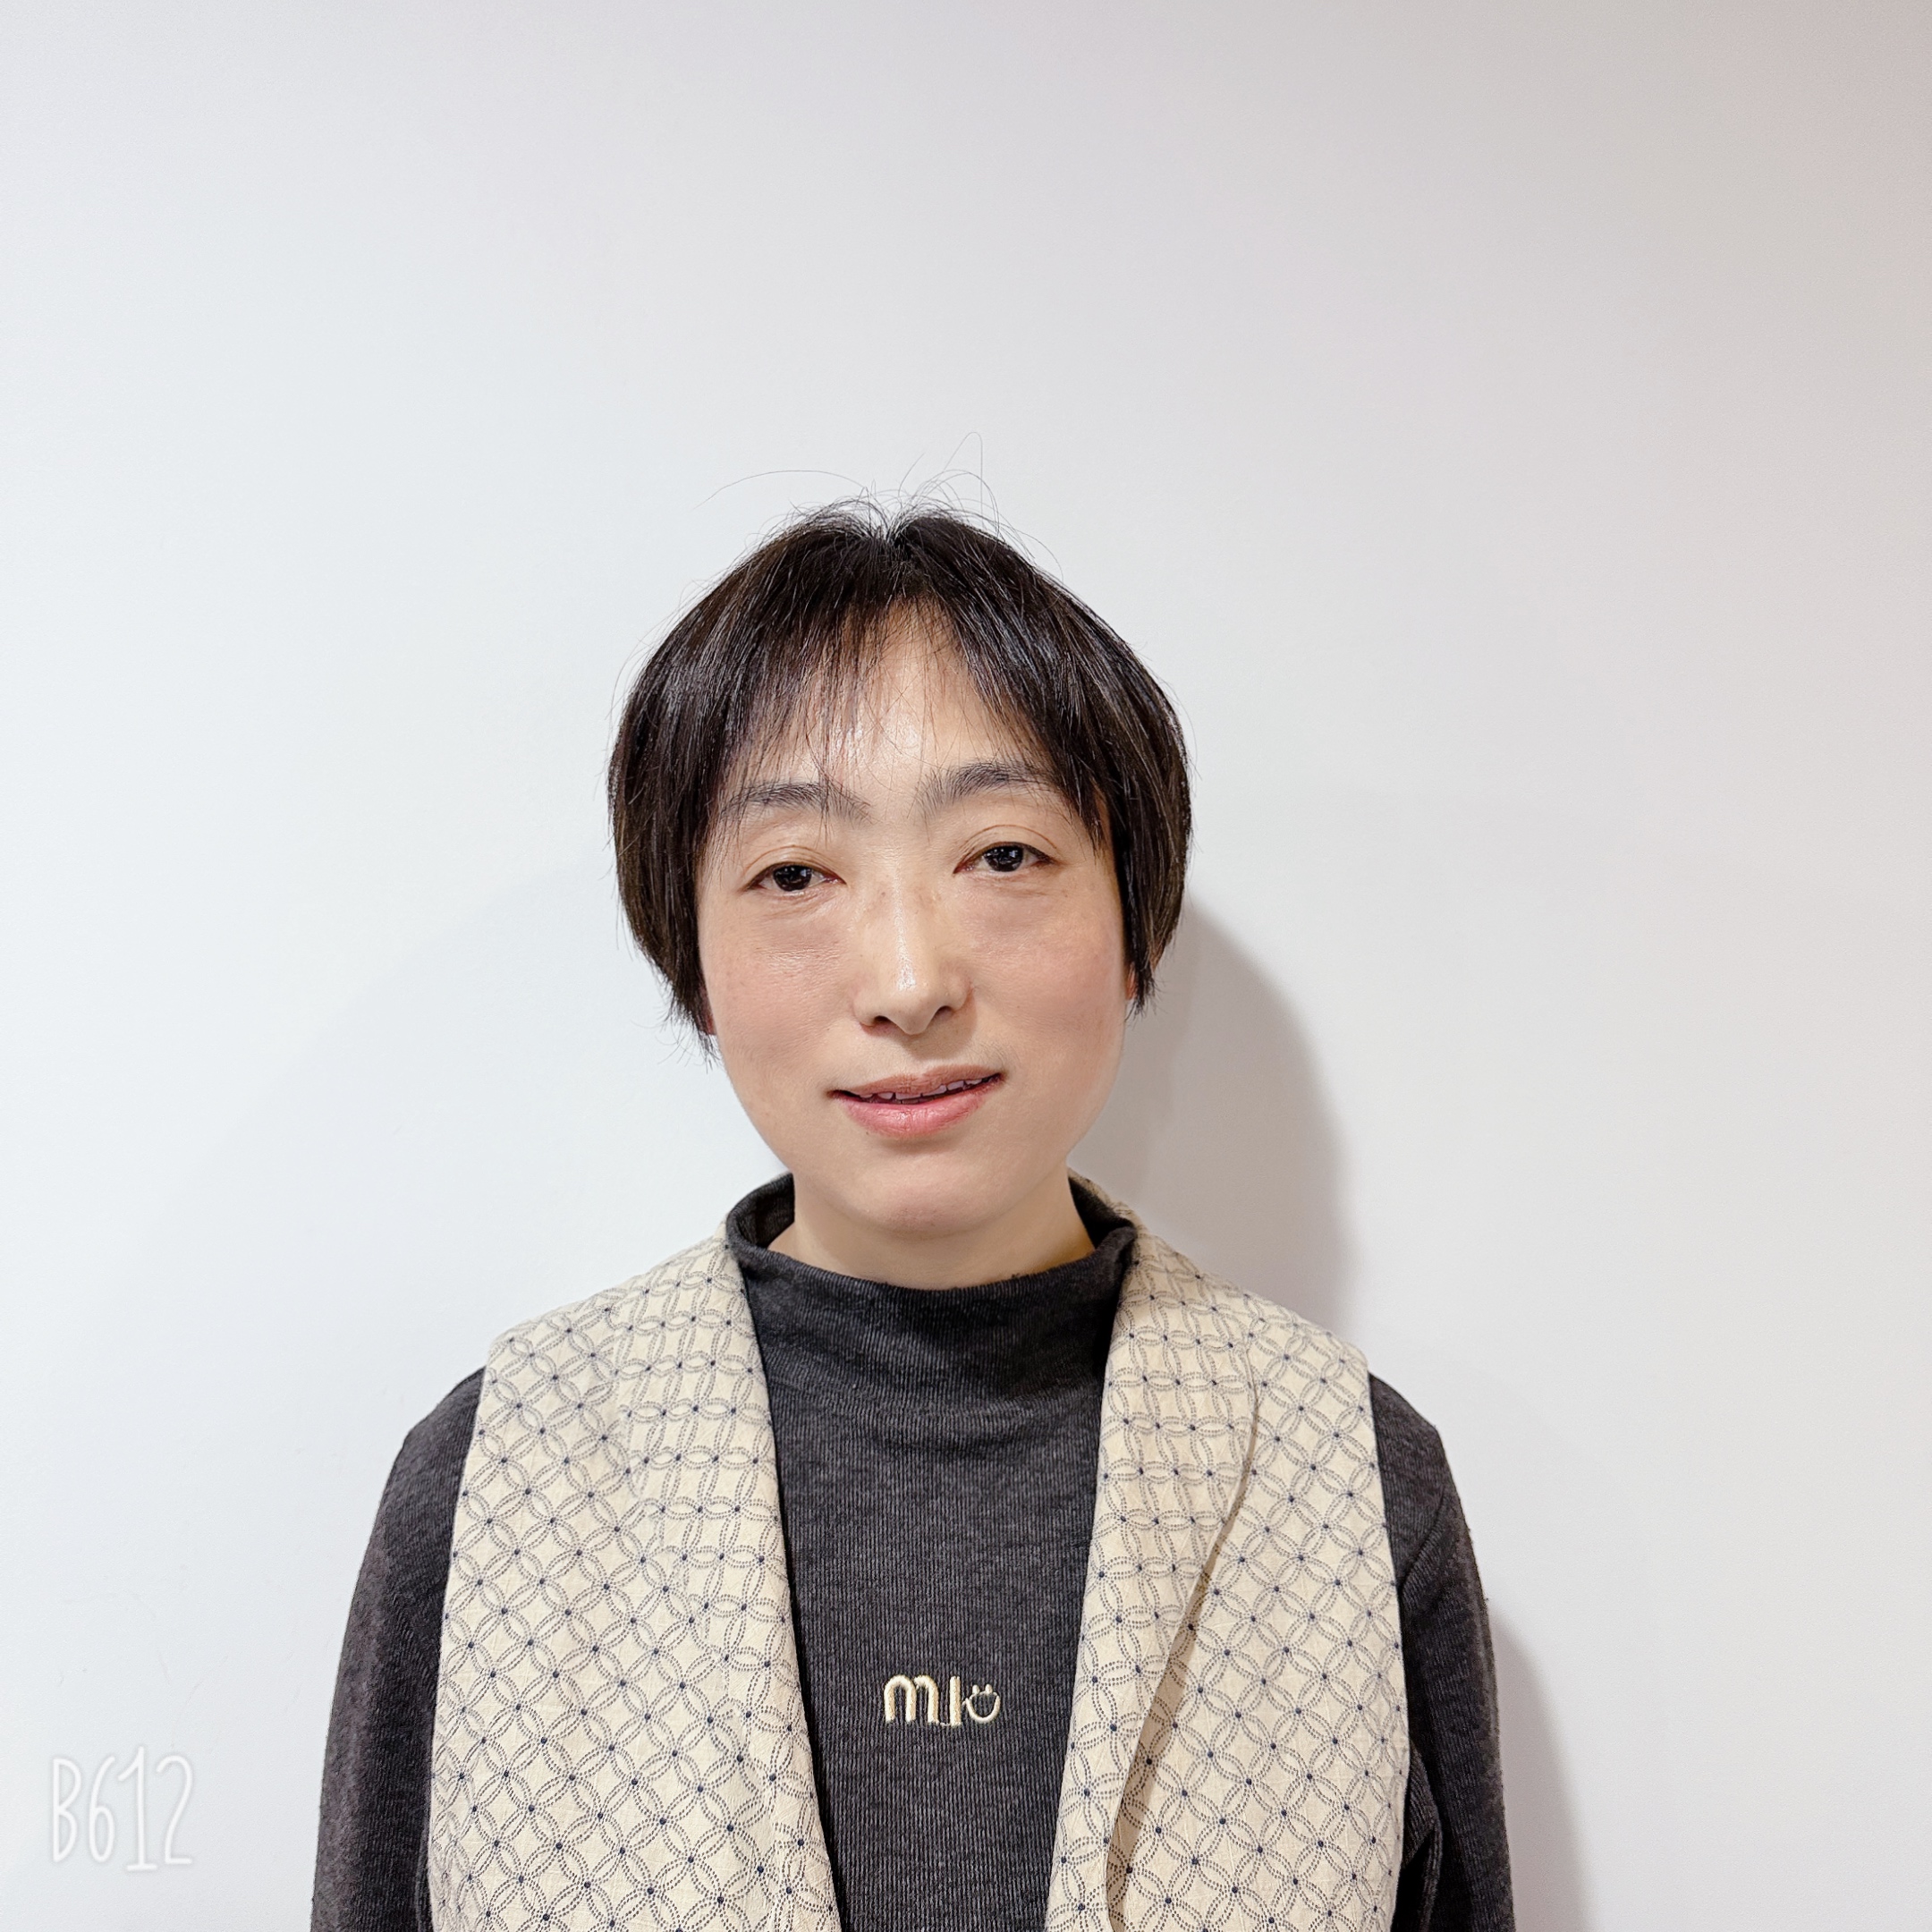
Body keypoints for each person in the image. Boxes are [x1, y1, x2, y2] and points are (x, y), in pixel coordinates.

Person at [313, 504, 1513, 1932]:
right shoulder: (501, 1477)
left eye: (1002, 855)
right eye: (795, 873)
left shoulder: (1347, 1478)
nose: (908, 981)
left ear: (1136, 924)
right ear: (691, 957)